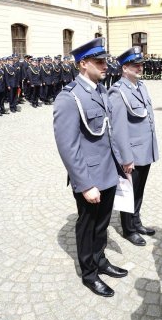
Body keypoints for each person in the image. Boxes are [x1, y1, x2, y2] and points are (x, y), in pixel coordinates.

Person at [53, 37, 128, 297]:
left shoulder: (100, 90)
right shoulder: (69, 97)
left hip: (107, 172)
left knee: (102, 224)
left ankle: (100, 259)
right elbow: (68, 147)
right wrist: (85, 185)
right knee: (87, 227)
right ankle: (89, 273)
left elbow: (108, 134)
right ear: (83, 64)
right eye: (99, 61)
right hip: (90, 178)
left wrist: (121, 164)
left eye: (105, 60)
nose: (105, 65)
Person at [108, 46, 159, 246]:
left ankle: (136, 221)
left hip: (145, 149)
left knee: (139, 190)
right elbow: (118, 129)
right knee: (129, 192)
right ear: (125, 68)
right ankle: (128, 229)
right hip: (132, 154)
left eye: (140, 64)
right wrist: (125, 158)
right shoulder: (118, 91)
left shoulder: (141, 86)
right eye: (135, 65)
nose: (139, 68)